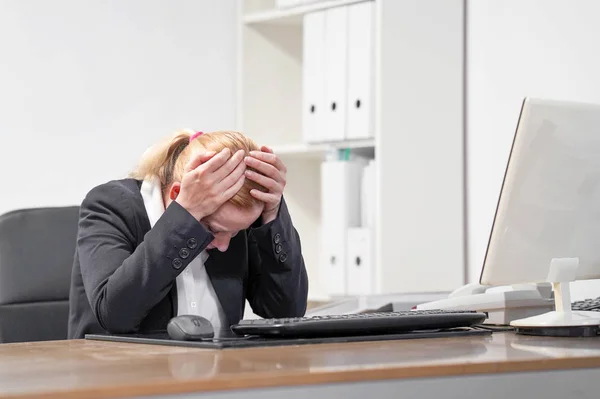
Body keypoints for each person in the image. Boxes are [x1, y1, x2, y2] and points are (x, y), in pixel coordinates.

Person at [67, 130, 309, 339]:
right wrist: (185, 216)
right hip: (121, 381)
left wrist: (272, 217)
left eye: (236, 233)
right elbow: (115, 314)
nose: (225, 245)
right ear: (177, 195)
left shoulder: (232, 220)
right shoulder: (110, 206)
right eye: (214, 229)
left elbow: (285, 312)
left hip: (216, 382)